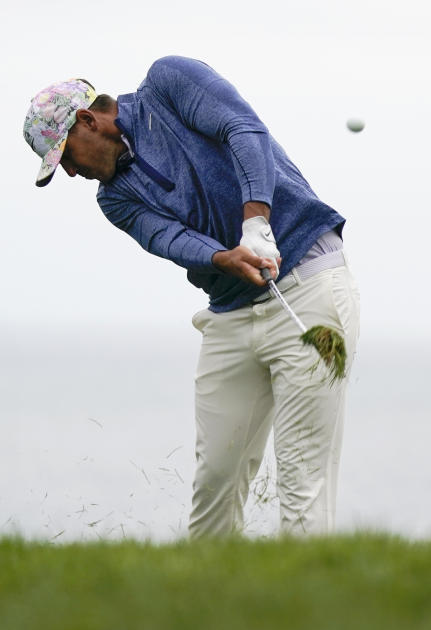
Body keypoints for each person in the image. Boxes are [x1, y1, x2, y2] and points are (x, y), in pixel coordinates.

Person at [23, 56, 360, 537]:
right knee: (214, 487)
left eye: (67, 157)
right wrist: (225, 257)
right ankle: (209, 606)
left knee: (302, 476)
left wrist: (256, 221)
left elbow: (243, 130)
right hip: (228, 316)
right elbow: (167, 237)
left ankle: (308, 604)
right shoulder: (113, 198)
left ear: (87, 121)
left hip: (309, 286)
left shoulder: (168, 83)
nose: (72, 174)